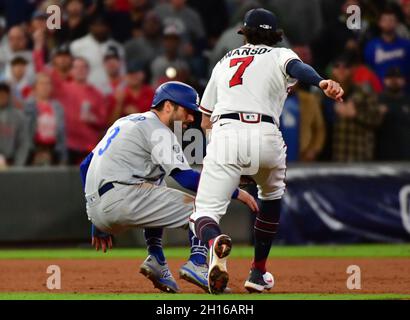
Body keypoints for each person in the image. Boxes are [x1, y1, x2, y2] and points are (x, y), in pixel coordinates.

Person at [190, 8, 344, 294]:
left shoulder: (224, 61)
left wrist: (222, 154)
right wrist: (321, 82)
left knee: (202, 215)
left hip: (226, 133)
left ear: (244, 33)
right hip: (266, 135)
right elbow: (298, 69)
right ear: (276, 35)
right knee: (271, 197)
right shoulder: (280, 54)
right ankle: (258, 272)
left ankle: (215, 244)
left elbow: (205, 118)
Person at [80, 81, 256, 293]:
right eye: (188, 110)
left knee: (157, 181)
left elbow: (85, 166)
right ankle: (198, 263)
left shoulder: (126, 122)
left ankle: (156, 258)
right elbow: (186, 178)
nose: (191, 118)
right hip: (122, 198)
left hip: (98, 208)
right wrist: (234, 191)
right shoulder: (158, 130)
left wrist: (96, 219)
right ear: (168, 105)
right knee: (200, 209)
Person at [329, 55, 383, 162]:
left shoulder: (365, 92)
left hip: (359, 155)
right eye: (337, 66)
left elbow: (377, 120)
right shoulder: (324, 95)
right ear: (332, 70)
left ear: (352, 70)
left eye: (346, 67)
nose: (341, 70)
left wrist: (355, 115)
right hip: (332, 159)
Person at [24, 73, 66, 166]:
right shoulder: (28, 106)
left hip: (54, 151)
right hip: (33, 150)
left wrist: (63, 157)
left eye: (48, 83)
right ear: (35, 87)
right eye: (42, 83)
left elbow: (62, 133)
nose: (45, 87)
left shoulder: (57, 107)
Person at [376, 67, 410, 160]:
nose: (394, 80)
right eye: (391, 78)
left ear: (404, 81)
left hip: (406, 155)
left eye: (398, 77)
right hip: (383, 155)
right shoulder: (377, 99)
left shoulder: (408, 101)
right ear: (384, 80)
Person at [0, 82, 30, 167]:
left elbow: (23, 143)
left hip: (11, 162)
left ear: (9, 96)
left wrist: (18, 165)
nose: (1, 97)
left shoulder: (19, 116)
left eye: (4, 94)